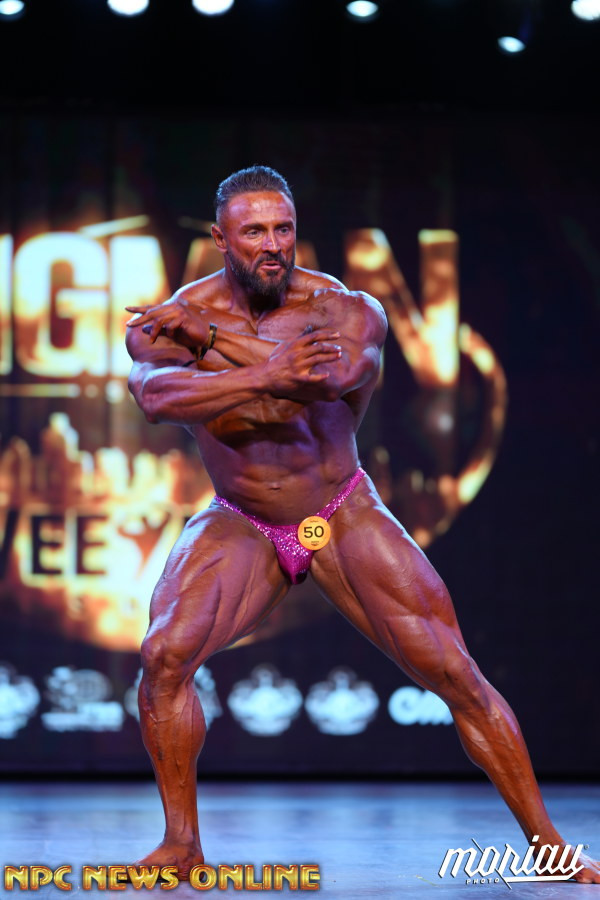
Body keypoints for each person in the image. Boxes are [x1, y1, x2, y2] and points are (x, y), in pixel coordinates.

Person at [125, 165, 599, 882]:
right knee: (164, 656)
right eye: (254, 232)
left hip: (335, 513)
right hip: (245, 521)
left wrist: (214, 347)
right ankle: (182, 843)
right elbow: (155, 396)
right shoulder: (178, 314)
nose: (272, 245)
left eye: (283, 228)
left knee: (456, 675)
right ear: (220, 238)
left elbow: (329, 379)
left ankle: (548, 846)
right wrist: (262, 373)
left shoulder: (344, 307)